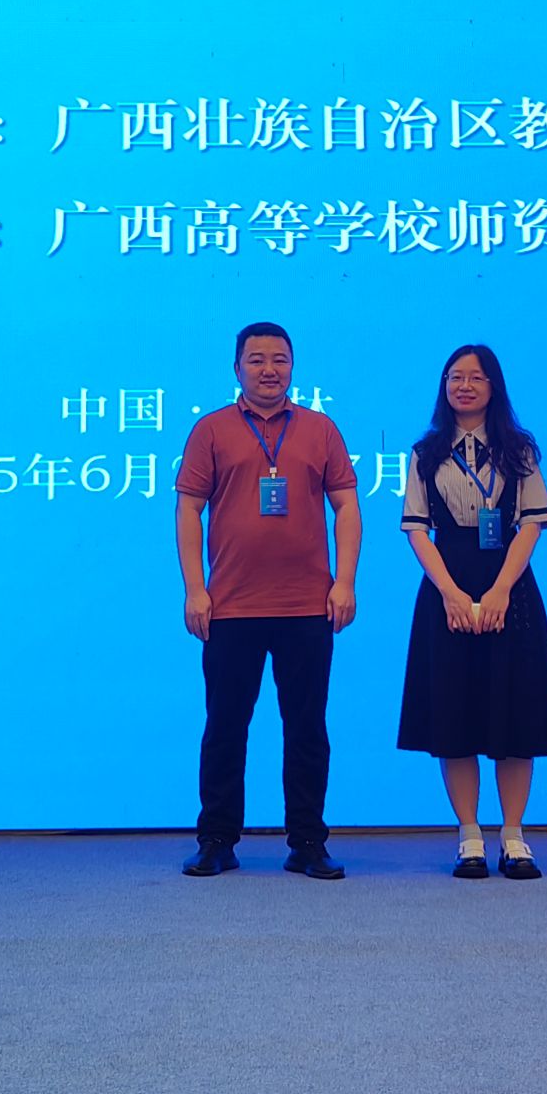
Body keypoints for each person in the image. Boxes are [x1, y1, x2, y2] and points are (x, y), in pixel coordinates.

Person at [176, 322, 361, 879]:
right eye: (256, 360)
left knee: (307, 728)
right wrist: (195, 589)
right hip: (231, 606)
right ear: (237, 368)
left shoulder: (320, 429)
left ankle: (307, 842)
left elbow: (346, 506)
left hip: (307, 605)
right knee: (225, 726)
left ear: (293, 366)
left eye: (279, 359)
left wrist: (345, 582)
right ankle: (216, 840)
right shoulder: (210, 430)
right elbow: (189, 510)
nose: (269, 369)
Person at [397, 344, 547, 879]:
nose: (464, 386)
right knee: (455, 714)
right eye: (454, 377)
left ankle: (514, 836)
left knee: (515, 714)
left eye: (475, 377)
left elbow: (532, 524)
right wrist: (450, 592)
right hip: (446, 586)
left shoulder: (519, 450)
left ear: (494, 386)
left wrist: (499, 591)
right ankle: (469, 835)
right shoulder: (426, 453)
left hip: (509, 587)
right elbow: (417, 531)